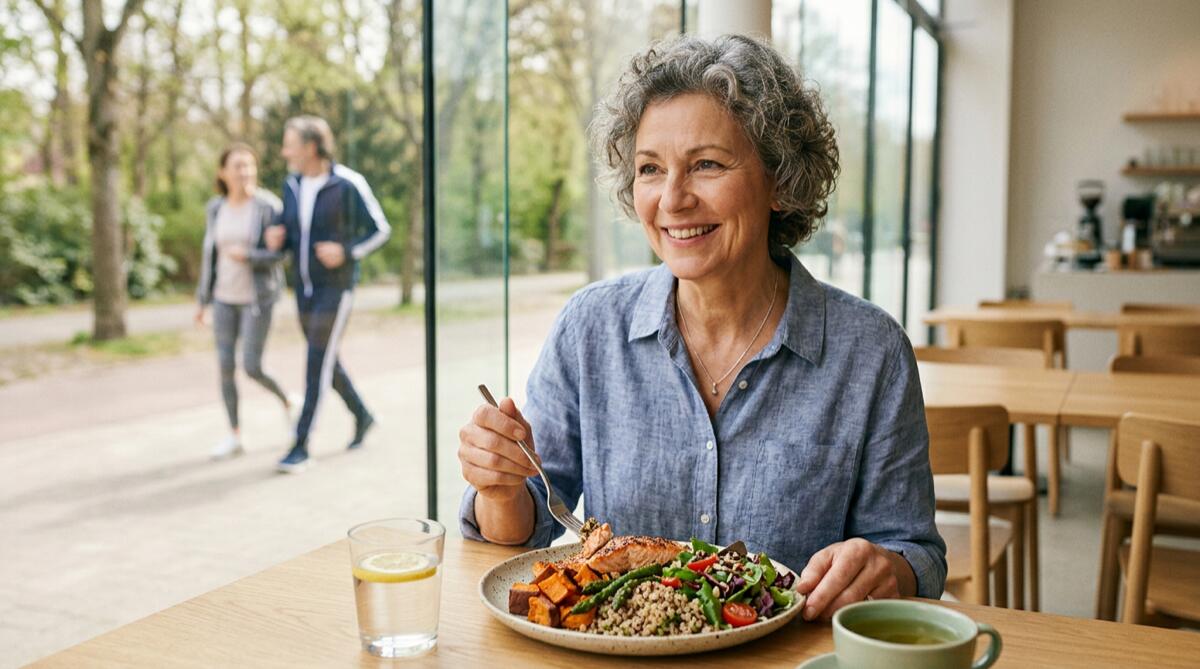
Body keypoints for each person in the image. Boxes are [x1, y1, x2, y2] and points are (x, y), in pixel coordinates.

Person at [456, 35, 946, 622]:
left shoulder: (871, 352)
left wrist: (886, 567)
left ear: (780, 181)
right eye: (649, 169)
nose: (673, 199)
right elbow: (526, 527)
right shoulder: (590, 327)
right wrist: (501, 489)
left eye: (707, 164)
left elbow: (915, 553)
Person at [265, 115, 391, 473]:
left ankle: (301, 444)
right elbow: (292, 233)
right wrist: (278, 236)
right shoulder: (291, 185)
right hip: (303, 289)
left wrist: (346, 252)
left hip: (336, 289)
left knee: (316, 361)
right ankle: (362, 415)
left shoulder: (348, 183)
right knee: (325, 360)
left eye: (289, 144)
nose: (284, 151)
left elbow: (379, 230)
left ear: (310, 146)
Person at [195, 143, 293, 459]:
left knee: (252, 366)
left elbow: (281, 254)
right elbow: (209, 254)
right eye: (237, 166)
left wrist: (248, 256)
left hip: (258, 299)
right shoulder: (216, 207)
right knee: (225, 367)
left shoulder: (268, 207)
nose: (244, 172)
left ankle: (289, 402)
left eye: (249, 165)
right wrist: (203, 300)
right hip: (224, 298)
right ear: (223, 172)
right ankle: (235, 435)